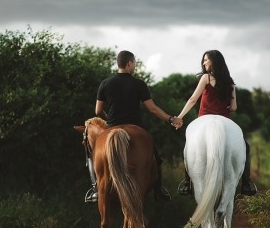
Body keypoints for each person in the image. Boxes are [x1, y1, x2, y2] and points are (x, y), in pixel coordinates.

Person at [84, 50, 183, 203]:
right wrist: (171, 118)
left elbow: (97, 111)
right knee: (155, 158)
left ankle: (95, 188)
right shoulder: (139, 84)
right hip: (135, 125)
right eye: (134, 63)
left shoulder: (105, 83)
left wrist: (110, 120)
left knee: (92, 157)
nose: (134, 66)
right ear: (129, 63)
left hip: (112, 126)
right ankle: (159, 190)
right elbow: (152, 109)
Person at [175, 49, 257, 196]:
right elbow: (234, 107)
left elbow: (193, 99)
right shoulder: (230, 82)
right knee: (246, 147)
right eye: (204, 60)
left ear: (214, 61)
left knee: (188, 147)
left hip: (204, 117)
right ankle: (246, 182)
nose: (203, 62)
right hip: (225, 120)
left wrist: (180, 117)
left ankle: (187, 182)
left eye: (206, 59)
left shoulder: (206, 78)